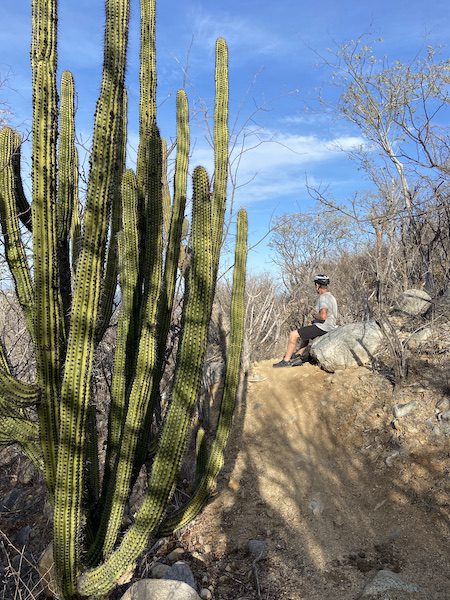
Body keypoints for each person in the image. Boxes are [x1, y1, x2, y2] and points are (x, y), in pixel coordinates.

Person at [273, 274, 338, 368]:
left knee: (293, 334)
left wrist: (315, 316)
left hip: (324, 327)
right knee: (306, 331)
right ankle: (299, 354)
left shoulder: (323, 297)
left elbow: (323, 316)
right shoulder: (331, 297)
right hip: (330, 326)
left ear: (317, 285)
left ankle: (285, 361)